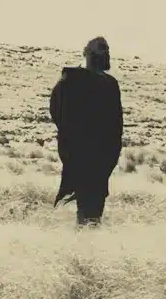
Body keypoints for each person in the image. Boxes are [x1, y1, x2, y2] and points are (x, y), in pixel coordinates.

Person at [49, 36, 123, 226]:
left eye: (106, 51)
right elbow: (58, 113)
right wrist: (72, 141)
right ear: (88, 54)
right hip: (80, 154)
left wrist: (111, 156)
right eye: (100, 51)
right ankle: (78, 248)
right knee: (82, 206)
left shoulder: (110, 84)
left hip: (101, 157)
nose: (104, 54)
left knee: (93, 211)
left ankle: (87, 248)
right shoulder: (71, 81)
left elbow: (116, 125)